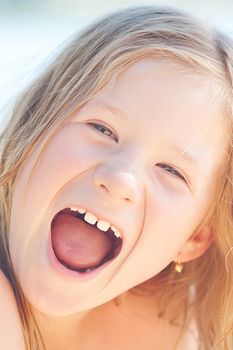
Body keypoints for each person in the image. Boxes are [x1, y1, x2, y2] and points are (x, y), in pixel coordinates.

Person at [0, 5, 233, 350]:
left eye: (171, 170)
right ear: (32, 130)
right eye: (102, 129)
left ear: (195, 237)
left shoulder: (173, 331)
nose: (121, 179)